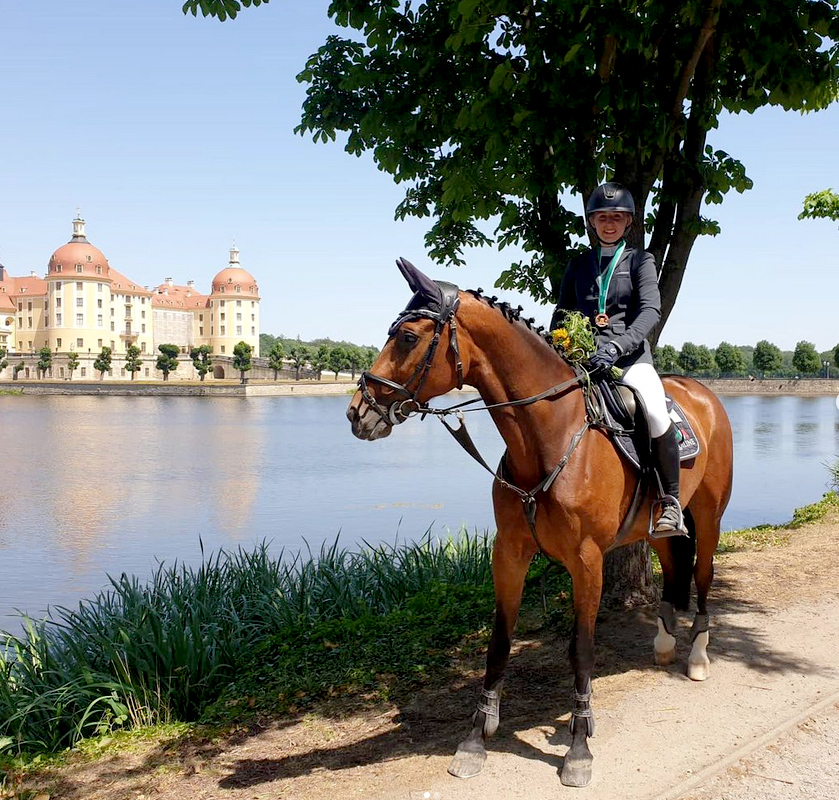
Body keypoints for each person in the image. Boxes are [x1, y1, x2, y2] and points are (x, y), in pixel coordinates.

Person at [552, 182, 686, 537]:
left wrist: (617, 347)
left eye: (616, 217)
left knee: (656, 412)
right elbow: (561, 312)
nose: (609, 223)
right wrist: (559, 345)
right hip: (583, 362)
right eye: (602, 217)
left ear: (627, 222)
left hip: (630, 360)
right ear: (592, 222)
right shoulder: (579, 265)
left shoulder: (641, 261)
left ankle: (670, 502)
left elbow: (650, 311)